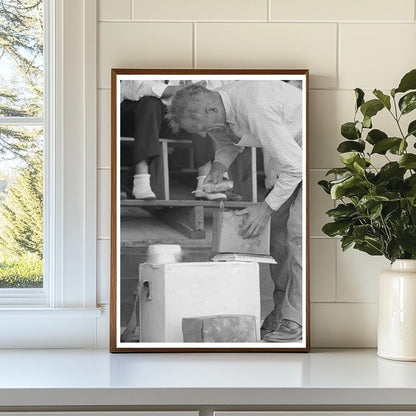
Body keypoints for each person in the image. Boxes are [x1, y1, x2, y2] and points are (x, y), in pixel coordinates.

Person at [166, 81, 303, 342]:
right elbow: (228, 142)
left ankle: (295, 319)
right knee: (277, 239)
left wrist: (265, 208)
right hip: (287, 157)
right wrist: (218, 168)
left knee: (297, 235)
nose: (204, 135)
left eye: (203, 129)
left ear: (210, 111)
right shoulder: (218, 109)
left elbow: (296, 166)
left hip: (310, 154)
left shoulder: (255, 107)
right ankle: (281, 311)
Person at [120, 80, 225, 200]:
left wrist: (193, 93)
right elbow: (137, 87)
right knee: (151, 102)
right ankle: (141, 180)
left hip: (169, 117)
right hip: (132, 115)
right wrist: (179, 89)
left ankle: (205, 183)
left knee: (199, 106)